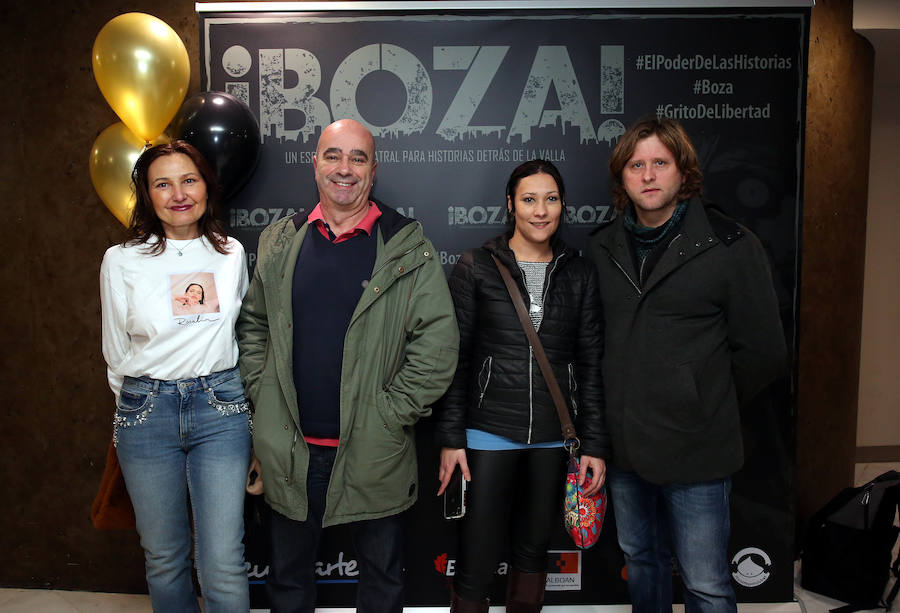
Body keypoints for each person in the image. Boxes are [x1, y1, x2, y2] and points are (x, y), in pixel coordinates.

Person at [237, 118, 459, 613]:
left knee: (381, 586)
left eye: (358, 158)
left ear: (373, 171)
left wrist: (390, 413)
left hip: (373, 450)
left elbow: (438, 345)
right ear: (314, 163)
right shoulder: (279, 241)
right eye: (333, 155)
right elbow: (252, 327)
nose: (345, 169)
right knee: (288, 585)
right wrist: (265, 393)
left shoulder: (406, 246)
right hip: (290, 453)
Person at [587, 117, 787, 612]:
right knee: (641, 560)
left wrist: (702, 401)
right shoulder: (601, 247)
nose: (649, 175)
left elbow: (764, 351)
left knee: (705, 582)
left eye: (661, 163)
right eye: (637, 165)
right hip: (626, 448)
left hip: (698, 449)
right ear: (623, 177)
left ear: (683, 172)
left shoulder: (730, 245)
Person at [437, 159, 609, 613]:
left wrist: (594, 444)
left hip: (555, 438)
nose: (540, 210)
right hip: (487, 434)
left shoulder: (580, 273)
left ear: (562, 206)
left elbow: (592, 365)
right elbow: (455, 361)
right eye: (529, 199)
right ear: (511, 205)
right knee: (475, 559)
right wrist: (452, 439)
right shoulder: (476, 267)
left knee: (533, 553)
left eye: (550, 199)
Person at [100, 140, 251, 612]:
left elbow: (243, 336)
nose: (178, 193)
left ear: (207, 186)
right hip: (147, 415)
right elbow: (115, 352)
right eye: (162, 184)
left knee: (223, 561)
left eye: (189, 179)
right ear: (146, 194)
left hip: (221, 410)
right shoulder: (121, 260)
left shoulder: (231, 254)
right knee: (165, 558)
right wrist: (143, 401)